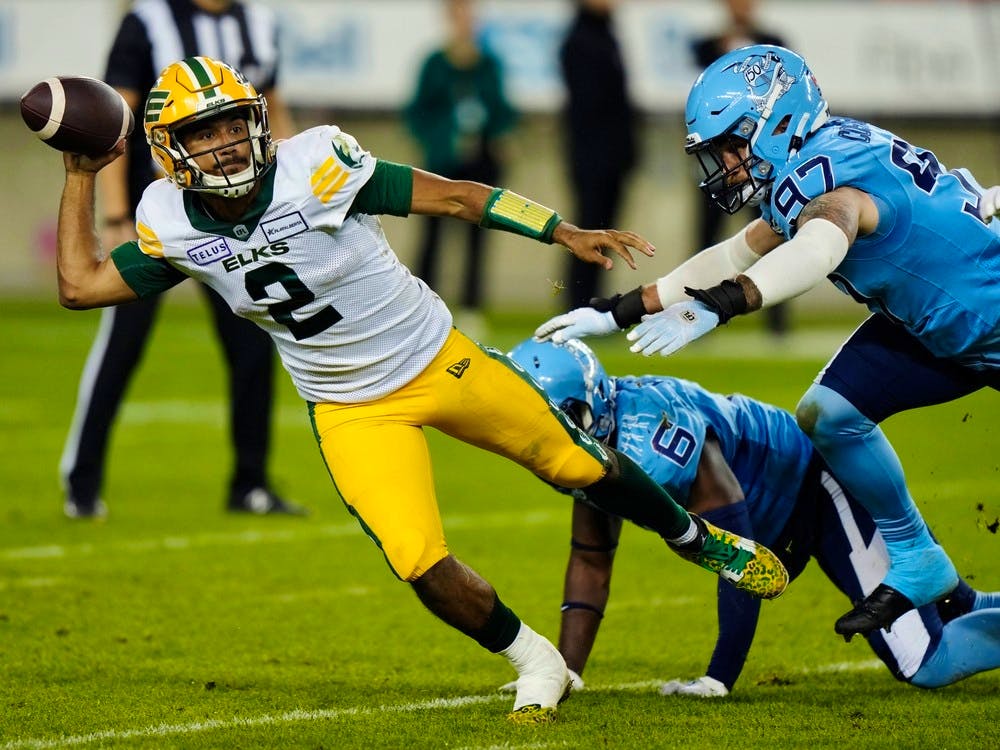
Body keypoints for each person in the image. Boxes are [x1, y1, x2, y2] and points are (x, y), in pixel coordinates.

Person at [49, 56, 790, 723]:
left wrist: (561, 231)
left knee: (577, 464)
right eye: (203, 135)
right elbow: (80, 287)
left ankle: (699, 540)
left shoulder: (316, 165)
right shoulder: (169, 221)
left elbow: (461, 198)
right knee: (418, 561)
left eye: (232, 125)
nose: (226, 145)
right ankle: (537, 660)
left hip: (436, 357)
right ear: (172, 152)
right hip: (349, 408)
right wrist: (81, 176)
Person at [533, 44, 1000, 640]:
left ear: (778, 123)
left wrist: (723, 304)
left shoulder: (825, 176)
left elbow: (818, 248)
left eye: (732, 145)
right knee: (829, 414)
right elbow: (734, 253)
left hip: (988, 315)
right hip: (940, 326)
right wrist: (616, 311)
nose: (724, 164)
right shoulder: (809, 163)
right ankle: (917, 557)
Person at [507, 338, 1000, 696]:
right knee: (963, 605)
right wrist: (567, 670)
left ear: (584, 411)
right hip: (787, 507)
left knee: (926, 662)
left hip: (822, 485)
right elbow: (591, 558)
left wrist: (719, 678)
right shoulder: (588, 446)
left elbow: (739, 551)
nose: (533, 436)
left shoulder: (652, 439)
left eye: (546, 420)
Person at [60, 0, 301, 518]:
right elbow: (114, 122)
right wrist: (117, 214)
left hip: (240, 215)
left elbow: (272, 111)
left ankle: (250, 483)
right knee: (122, 344)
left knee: (254, 343)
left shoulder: (258, 21)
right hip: (163, 218)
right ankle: (82, 482)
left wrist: (293, 189)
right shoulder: (148, 21)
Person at [404, 0, 519, 336]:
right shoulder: (434, 64)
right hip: (443, 164)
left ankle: (471, 305)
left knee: (477, 236)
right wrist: (437, 140)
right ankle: (420, 304)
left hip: (481, 163)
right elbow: (417, 112)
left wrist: (501, 137)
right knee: (433, 236)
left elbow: (502, 110)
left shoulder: (489, 65)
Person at [690, 0, 789, 336]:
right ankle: (696, 308)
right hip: (723, 154)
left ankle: (777, 320)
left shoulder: (772, 43)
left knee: (774, 230)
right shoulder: (708, 45)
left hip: (760, 156)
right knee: (708, 233)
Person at [558, 0, 638, 311]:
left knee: (605, 233)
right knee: (586, 232)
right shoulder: (579, 41)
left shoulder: (606, 37)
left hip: (611, 157)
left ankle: (590, 303)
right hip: (592, 158)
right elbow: (593, 106)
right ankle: (577, 305)